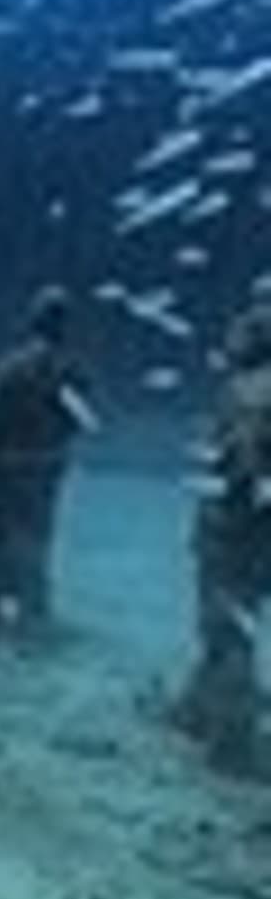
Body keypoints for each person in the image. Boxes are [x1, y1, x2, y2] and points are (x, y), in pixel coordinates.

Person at [173, 304, 271, 773]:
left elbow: (245, 465)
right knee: (235, 619)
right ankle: (197, 711)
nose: (229, 340)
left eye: (240, 331)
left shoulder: (247, 393)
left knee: (225, 625)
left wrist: (230, 502)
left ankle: (234, 742)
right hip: (261, 534)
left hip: (233, 530)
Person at [0, 286, 93, 632]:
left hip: (8, 465)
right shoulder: (71, 370)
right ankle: (33, 609)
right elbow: (82, 420)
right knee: (37, 537)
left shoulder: (11, 365)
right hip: (47, 467)